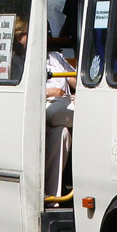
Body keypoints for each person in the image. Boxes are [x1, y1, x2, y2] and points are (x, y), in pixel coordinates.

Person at [45, 46, 76, 198]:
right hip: (43, 104)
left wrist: (84, 89)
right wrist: (49, 92)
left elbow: (73, 78)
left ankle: (52, 196)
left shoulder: (56, 56)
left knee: (62, 133)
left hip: (64, 103)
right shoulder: (20, 58)